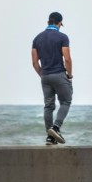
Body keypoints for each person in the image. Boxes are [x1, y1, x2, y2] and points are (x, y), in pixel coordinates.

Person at [31, 12, 73, 145]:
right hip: (59, 74)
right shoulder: (62, 37)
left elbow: (34, 62)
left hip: (45, 76)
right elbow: (66, 58)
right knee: (66, 101)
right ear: (60, 23)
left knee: (48, 106)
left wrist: (42, 74)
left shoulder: (37, 38)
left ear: (48, 22)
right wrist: (69, 75)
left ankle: (50, 137)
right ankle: (56, 127)